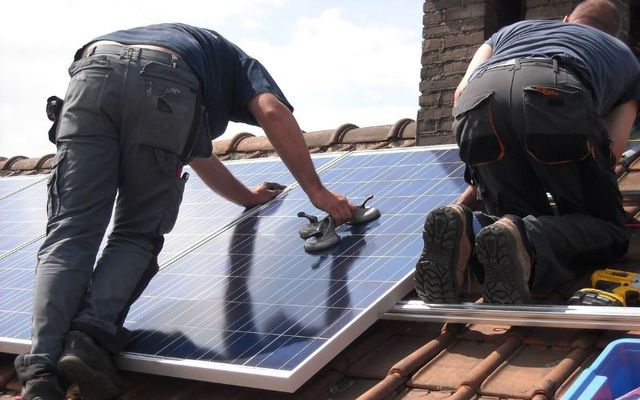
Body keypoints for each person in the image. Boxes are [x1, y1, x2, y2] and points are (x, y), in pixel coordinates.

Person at [15, 23, 355, 400]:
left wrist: (246, 197)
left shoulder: (194, 48)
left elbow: (192, 150)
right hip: (169, 80)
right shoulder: (241, 64)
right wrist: (317, 191)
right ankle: (87, 338)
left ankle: (41, 372)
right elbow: (272, 110)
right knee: (135, 232)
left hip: (93, 71)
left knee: (71, 230)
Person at [415, 0, 640, 306]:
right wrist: (584, 180)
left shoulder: (511, 31)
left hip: (476, 101)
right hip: (554, 91)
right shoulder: (624, 57)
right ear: (614, 34)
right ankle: (526, 237)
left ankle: (469, 228)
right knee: (607, 228)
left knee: (513, 217)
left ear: (565, 19)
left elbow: (460, 92)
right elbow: (613, 147)